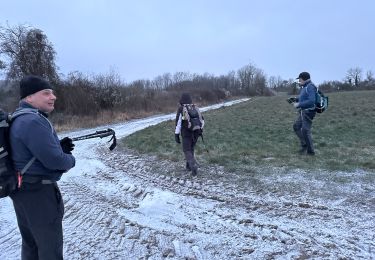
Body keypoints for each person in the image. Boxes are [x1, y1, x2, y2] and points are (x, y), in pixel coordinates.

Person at [9, 75, 76, 260]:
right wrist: (70, 159)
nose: (53, 97)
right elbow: (56, 161)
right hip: (39, 193)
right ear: (29, 97)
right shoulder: (33, 121)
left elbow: (29, 152)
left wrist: (57, 147)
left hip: (23, 190)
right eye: (46, 93)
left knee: (31, 245)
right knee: (50, 249)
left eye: (53, 93)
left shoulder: (17, 117)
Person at [174, 93, 204, 176]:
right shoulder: (194, 107)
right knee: (191, 148)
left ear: (181, 100)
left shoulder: (181, 109)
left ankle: (192, 165)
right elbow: (202, 120)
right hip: (196, 132)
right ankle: (188, 166)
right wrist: (200, 130)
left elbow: (178, 123)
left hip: (186, 133)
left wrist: (176, 134)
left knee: (186, 150)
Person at [289, 71, 317, 155]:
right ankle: (305, 145)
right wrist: (296, 99)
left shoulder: (310, 87)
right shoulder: (304, 87)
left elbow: (312, 101)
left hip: (309, 111)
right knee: (296, 126)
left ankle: (311, 152)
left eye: (300, 79)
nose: (299, 81)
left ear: (304, 79)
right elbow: (304, 98)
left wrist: (299, 104)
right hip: (303, 111)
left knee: (305, 130)